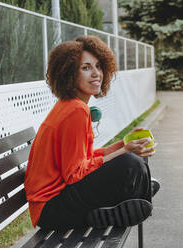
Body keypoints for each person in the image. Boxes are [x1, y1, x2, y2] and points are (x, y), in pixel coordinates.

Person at [24, 35, 158, 231]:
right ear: (69, 73)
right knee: (131, 164)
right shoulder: (76, 111)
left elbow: (85, 158)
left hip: (52, 205)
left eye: (98, 66)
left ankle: (132, 198)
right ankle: (134, 196)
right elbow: (75, 174)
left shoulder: (71, 106)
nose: (96, 73)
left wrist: (124, 144)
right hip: (52, 209)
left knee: (132, 161)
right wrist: (124, 152)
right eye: (86, 68)